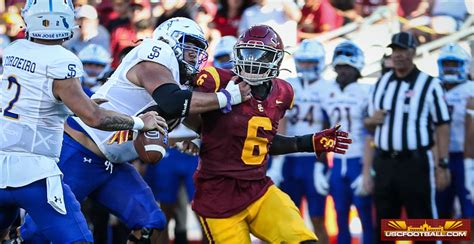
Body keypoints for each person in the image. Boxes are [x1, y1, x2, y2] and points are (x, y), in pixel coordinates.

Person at [19, 17, 251, 243]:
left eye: (197, 48)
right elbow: (170, 100)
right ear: (168, 40)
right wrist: (227, 97)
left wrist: (198, 138)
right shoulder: (156, 52)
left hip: (113, 164)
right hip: (80, 153)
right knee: (39, 234)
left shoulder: (180, 82)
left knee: (151, 223)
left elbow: (192, 118)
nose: (193, 54)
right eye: (188, 45)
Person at [0, 0, 166, 242]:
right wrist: (140, 122)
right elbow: (94, 117)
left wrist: (71, 108)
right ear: (68, 20)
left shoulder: (15, 50)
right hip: (34, 174)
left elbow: (35, 100)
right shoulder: (62, 61)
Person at [189, 25, 351, 243]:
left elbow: (264, 141)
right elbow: (183, 106)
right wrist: (195, 129)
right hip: (218, 195)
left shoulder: (283, 92)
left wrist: (309, 142)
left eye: (259, 55)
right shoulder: (217, 79)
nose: (252, 61)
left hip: (258, 190)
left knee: (304, 241)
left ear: (275, 60)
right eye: (247, 53)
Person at [364, 31, 451, 243]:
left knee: (421, 223)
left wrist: (442, 164)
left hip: (415, 163)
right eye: (395, 50)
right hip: (384, 162)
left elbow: (442, 125)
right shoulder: (381, 83)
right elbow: (368, 125)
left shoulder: (429, 84)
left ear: (413, 52)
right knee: (385, 225)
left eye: (403, 49)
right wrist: (371, 120)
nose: (398, 55)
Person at [266, 38, 331, 243]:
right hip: (289, 157)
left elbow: (328, 128)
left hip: (313, 158)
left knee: (318, 217)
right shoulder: (289, 85)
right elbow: (280, 120)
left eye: (310, 62)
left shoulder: (328, 87)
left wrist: (321, 164)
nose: (306, 66)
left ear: (320, 62)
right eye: (302, 62)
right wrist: (277, 163)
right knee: (288, 218)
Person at [321, 41, 373, 244]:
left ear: (357, 68)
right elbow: (324, 131)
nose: (343, 71)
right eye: (340, 66)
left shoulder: (366, 91)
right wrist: (321, 165)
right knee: (339, 216)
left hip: (358, 160)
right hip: (337, 162)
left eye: (347, 67)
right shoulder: (327, 90)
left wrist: (368, 170)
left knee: (366, 216)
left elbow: (371, 133)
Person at [435, 43, 474, 240]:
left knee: (469, 215)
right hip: (440, 158)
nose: (449, 68)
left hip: (466, 159)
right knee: (440, 214)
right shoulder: (434, 88)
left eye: (454, 63)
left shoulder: (471, 89)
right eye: (446, 63)